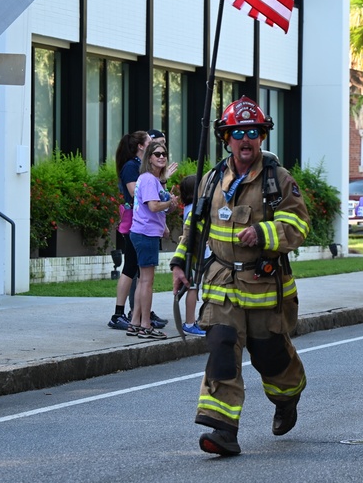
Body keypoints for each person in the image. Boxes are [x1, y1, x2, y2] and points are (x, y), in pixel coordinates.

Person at [171, 96, 310, 457]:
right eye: (237, 133)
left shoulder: (278, 180)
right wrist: (180, 265)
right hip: (222, 284)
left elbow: (299, 225)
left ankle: (288, 397)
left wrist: (264, 233)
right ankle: (223, 430)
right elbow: (194, 227)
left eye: (252, 132)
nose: (245, 139)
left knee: (271, 359)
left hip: (265, 287)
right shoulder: (212, 180)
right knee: (221, 349)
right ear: (226, 138)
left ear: (261, 136)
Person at [128, 140, 178, 339]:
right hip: (145, 234)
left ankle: (135, 323)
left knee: (142, 281)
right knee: (147, 282)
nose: (162, 157)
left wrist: (170, 204)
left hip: (145, 232)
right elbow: (154, 206)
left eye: (164, 154)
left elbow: (160, 207)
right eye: (157, 154)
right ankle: (146, 326)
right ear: (149, 157)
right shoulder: (149, 179)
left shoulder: (153, 180)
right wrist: (168, 203)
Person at [107, 131, 149, 331]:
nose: (153, 144)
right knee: (130, 267)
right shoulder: (131, 167)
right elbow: (134, 192)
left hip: (140, 222)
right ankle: (118, 314)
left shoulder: (139, 166)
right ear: (141, 146)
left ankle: (137, 314)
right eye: (149, 140)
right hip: (134, 222)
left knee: (137, 269)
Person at [176, 175, 206, 336]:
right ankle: (189, 322)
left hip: (193, 256)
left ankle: (192, 321)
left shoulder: (189, 207)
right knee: (193, 287)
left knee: (193, 287)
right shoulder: (195, 210)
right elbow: (191, 235)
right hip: (195, 257)